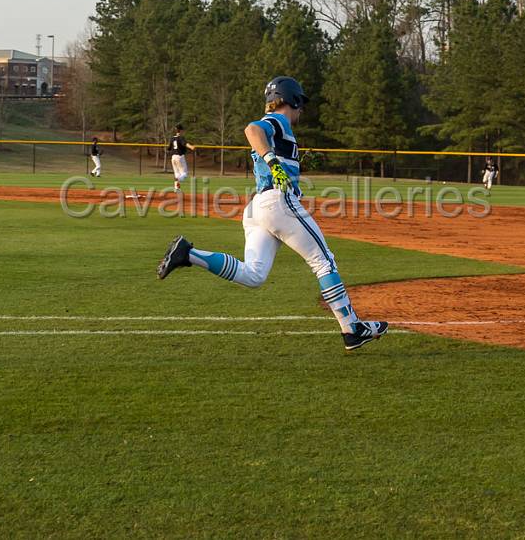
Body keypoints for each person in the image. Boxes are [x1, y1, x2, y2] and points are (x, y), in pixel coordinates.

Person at [157, 76, 388, 351]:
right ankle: (351, 328)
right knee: (324, 262)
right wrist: (274, 162)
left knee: (254, 275)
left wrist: (288, 162)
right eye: (300, 103)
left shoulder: (280, 128)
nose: (301, 109)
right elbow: (252, 129)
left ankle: (188, 254)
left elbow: (265, 145)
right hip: (277, 203)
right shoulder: (278, 120)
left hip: (257, 208)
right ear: (292, 100)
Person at [168, 124, 195, 191]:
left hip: (173, 157)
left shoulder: (172, 138)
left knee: (177, 173)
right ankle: (178, 180)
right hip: (179, 157)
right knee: (184, 174)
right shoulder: (181, 138)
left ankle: (176, 188)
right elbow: (185, 144)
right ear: (181, 130)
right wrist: (191, 147)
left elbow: (168, 148)